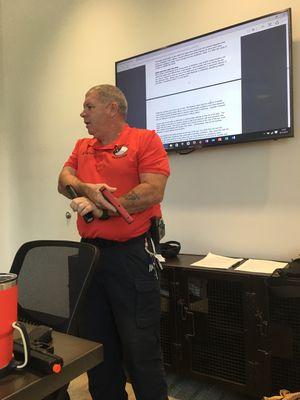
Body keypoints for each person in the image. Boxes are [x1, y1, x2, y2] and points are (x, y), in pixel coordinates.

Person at [58, 84, 170, 400]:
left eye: (89, 106)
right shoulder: (83, 146)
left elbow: (152, 191)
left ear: (112, 108)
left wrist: (101, 206)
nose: (83, 113)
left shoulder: (145, 140)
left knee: (140, 348)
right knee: (97, 347)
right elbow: (63, 180)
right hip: (89, 258)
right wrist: (86, 189)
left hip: (131, 257)